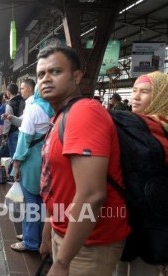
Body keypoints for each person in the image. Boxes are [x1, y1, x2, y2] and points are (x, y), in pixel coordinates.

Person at [37, 46, 130, 275]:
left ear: (76, 76)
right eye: (41, 74)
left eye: (55, 71)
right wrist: (50, 229)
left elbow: (92, 195)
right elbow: (58, 182)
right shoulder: (61, 116)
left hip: (89, 245)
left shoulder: (84, 113)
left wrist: (62, 262)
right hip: (68, 235)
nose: (46, 79)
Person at [122, 71, 168, 276]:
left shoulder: (159, 130)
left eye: (145, 92)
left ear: (161, 96)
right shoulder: (128, 126)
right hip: (123, 219)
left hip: (152, 225)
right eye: (134, 91)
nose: (136, 97)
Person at [10, 86, 54, 252]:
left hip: (31, 162)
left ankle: (30, 241)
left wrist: (16, 163)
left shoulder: (33, 109)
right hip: (46, 160)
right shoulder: (53, 109)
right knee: (42, 203)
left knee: (29, 203)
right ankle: (35, 235)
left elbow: (24, 140)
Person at [2, 83, 25, 158]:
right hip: (23, 130)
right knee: (21, 154)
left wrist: (5, 134)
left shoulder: (10, 104)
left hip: (13, 132)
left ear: (8, 92)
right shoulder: (23, 101)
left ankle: (15, 169)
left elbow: (7, 121)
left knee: (14, 155)